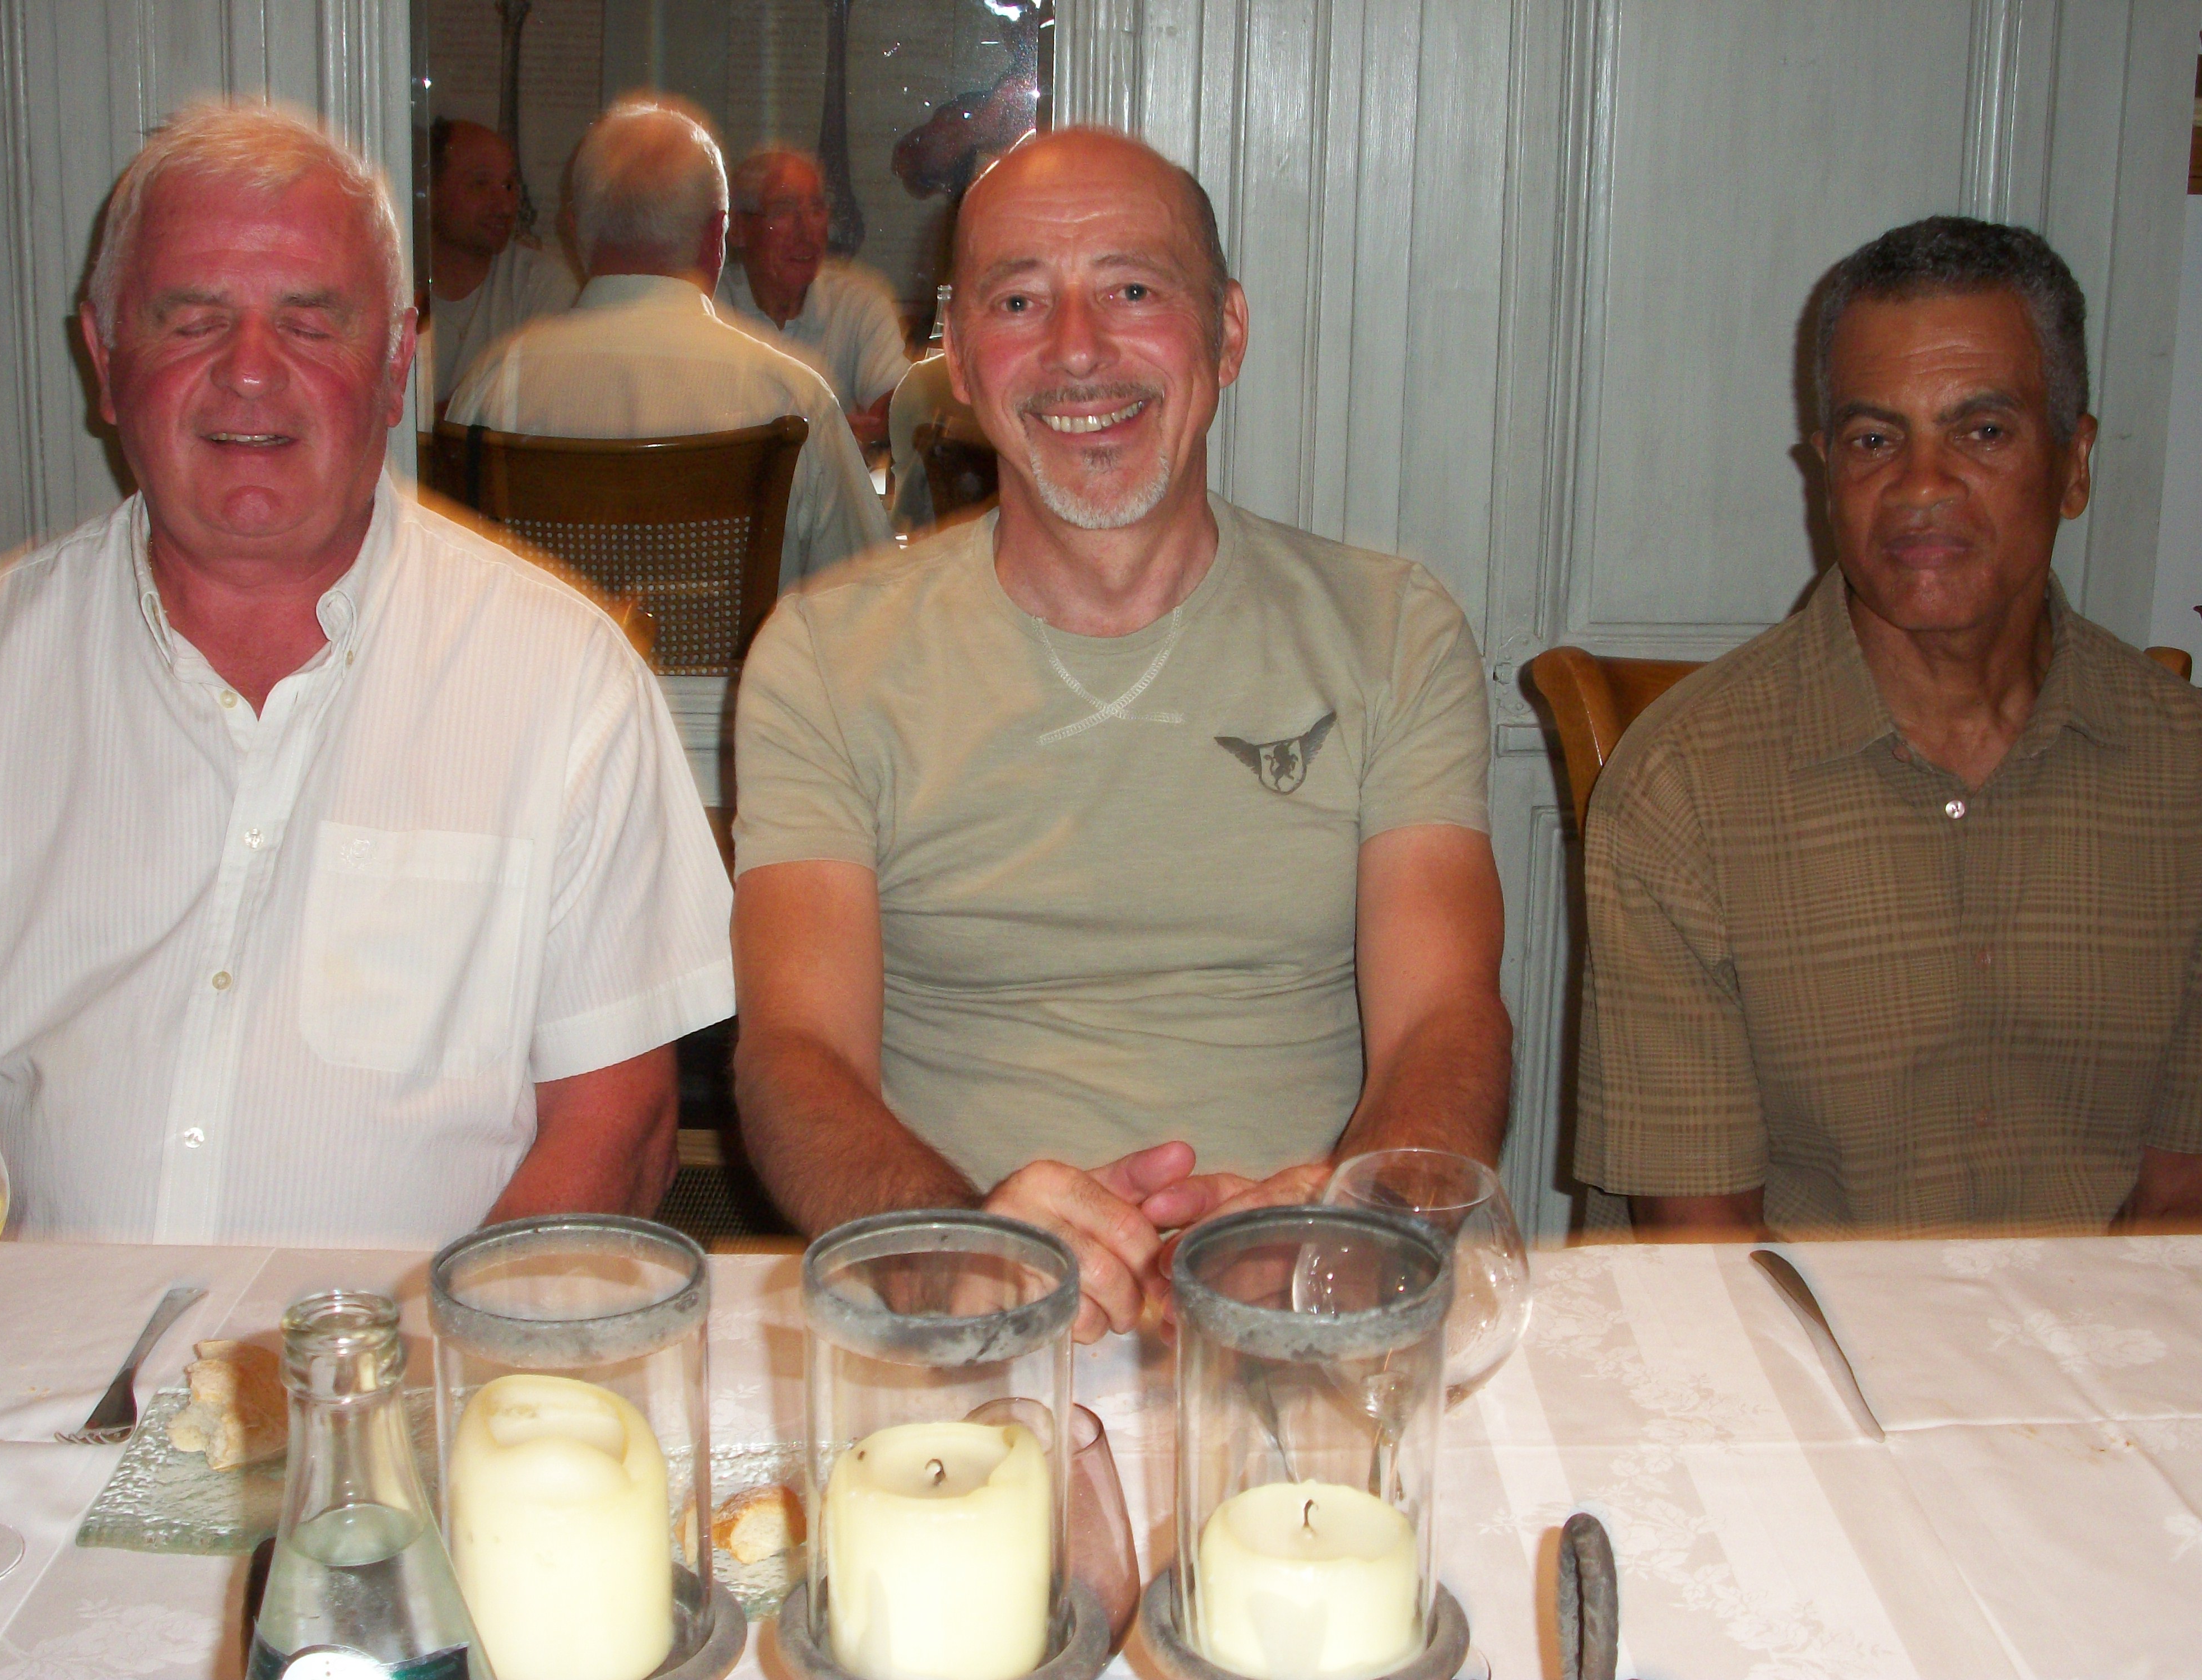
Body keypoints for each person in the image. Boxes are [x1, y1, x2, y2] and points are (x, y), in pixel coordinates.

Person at [732, 128, 1512, 1340]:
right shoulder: (825, 658)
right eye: (1019, 301)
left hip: (1305, 1319)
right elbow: (793, 1058)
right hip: (966, 1329)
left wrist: (1358, 1235)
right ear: (961, 359)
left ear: (1228, 334)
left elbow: (1445, 1022)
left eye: (1133, 290)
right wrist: (954, 1251)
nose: (1077, 350)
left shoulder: (1393, 633)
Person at [0, 102, 734, 1247]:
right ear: (105, 358)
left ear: (395, 364)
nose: (249, 372)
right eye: (192, 321)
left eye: (310, 323)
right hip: (31, 1353)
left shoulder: (563, 684)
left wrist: (434, 1350)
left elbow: (618, 1127)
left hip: (422, 1354)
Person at [1574, 216, 2202, 1240]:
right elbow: (1706, 1253)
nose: (1921, 487)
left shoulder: (2185, 774)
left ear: (2074, 464)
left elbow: (2184, 1210)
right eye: (1875, 440)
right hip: (1790, 1335)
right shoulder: (1683, 790)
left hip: (2114, 1336)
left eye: (1982, 432)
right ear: (1825, 470)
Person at [446, 100, 891, 590]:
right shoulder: (795, 400)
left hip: (545, 644)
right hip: (745, 647)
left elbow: (452, 585)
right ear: (717, 236)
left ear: (575, 232)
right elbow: (869, 595)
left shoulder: (495, 388)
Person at [716, 147, 913, 451]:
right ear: (739, 229)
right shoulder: (711, 305)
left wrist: (892, 414)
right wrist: (828, 433)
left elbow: (894, 411)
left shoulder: (860, 304)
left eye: (817, 209)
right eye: (783, 210)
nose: (807, 231)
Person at [423, 118, 577, 406]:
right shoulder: (393, 288)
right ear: (429, 192)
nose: (505, 206)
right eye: (480, 184)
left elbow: (533, 411)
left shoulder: (541, 284)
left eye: (509, 186)